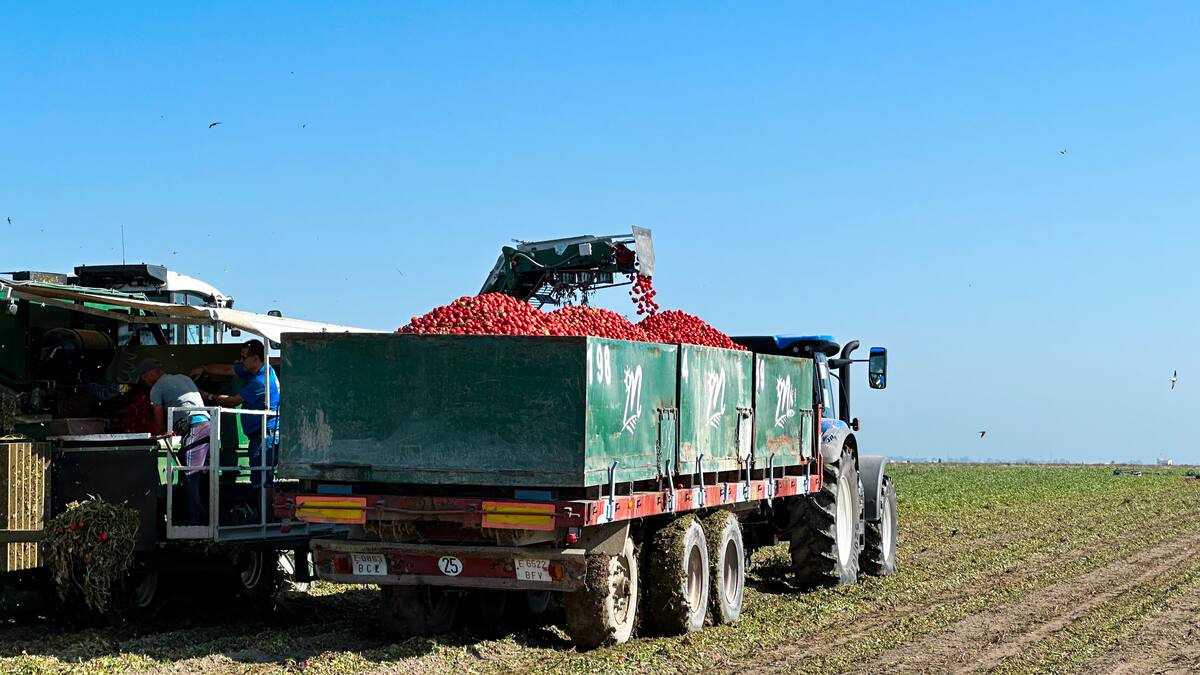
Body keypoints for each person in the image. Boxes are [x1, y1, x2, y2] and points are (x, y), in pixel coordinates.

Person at [191, 339, 280, 487]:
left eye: (244, 358)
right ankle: (262, 508)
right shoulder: (257, 370)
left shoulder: (260, 381)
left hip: (264, 436)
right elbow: (228, 370)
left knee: (261, 483)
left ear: (256, 359)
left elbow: (233, 401)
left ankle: (264, 510)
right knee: (261, 480)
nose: (241, 361)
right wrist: (204, 368)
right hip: (262, 435)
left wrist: (208, 396)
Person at [137, 359, 210, 527]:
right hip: (209, 425)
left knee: (190, 478)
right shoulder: (184, 378)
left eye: (143, 378)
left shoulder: (157, 388)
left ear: (151, 373)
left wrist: (156, 436)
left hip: (195, 428)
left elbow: (158, 420)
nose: (145, 382)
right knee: (206, 477)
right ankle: (207, 521)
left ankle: (193, 527)